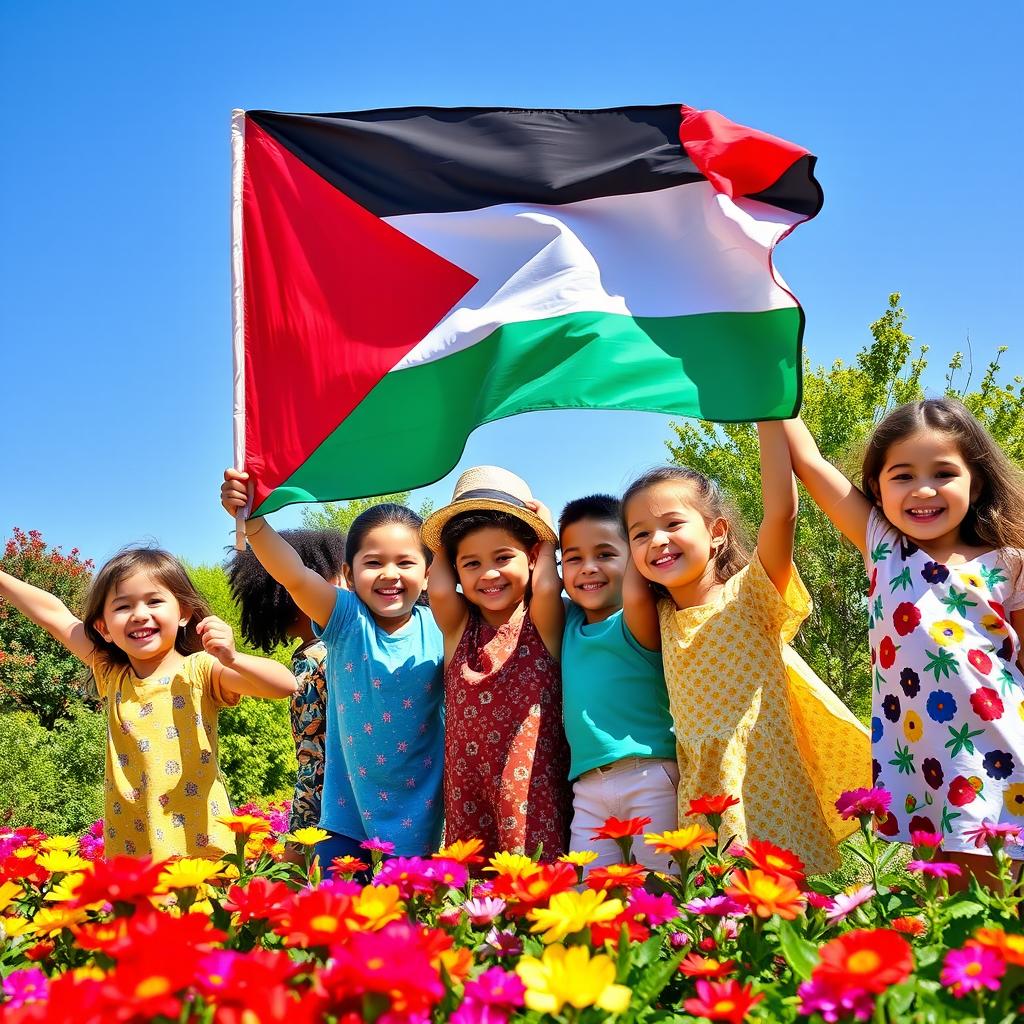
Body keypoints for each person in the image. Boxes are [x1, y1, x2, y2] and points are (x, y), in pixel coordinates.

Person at [783, 399, 1024, 884]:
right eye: (903, 475)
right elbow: (808, 462)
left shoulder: (1009, 560)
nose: (924, 489)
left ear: (974, 482)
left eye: (943, 472)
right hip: (922, 756)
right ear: (875, 487)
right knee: (947, 907)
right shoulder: (884, 547)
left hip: (997, 747)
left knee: (998, 898)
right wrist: (769, 377)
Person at [622, 423, 869, 874]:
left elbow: (781, 514)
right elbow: (631, 586)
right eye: (640, 534)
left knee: (788, 907)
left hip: (765, 777)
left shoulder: (749, 594)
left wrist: (768, 414)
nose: (656, 541)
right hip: (704, 789)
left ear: (717, 533)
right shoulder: (658, 616)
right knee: (722, 921)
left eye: (673, 524)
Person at [0, 548, 297, 859]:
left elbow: (283, 684)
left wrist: (233, 658)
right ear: (104, 628)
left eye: (154, 601)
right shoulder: (112, 674)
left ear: (183, 612)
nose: (139, 614)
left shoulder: (201, 670)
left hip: (201, 848)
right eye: (123, 606)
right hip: (132, 850)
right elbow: (55, 615)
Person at [222, 470, 444, 865]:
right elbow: (293, 574)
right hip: (346, 818)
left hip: (420, 821)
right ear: (349, 573)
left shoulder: (445, 623)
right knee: (337, 923)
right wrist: (254, 521)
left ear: (429, 573)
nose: (390, 573)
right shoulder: (345, 619)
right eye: (373, 562)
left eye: (405, 562)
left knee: (408, 926)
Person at [421, 466, 571, 859]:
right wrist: (443, 542)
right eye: (470, 563)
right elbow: (437, 589)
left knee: (535, 880)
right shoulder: (459, 631)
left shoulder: (541, 623)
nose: (488, 573)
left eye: (503, 557)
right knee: (473, 890)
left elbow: (547, 584)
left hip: (533, 787)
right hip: (468, 790)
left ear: (533, 556)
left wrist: (548, 536)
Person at [558, 494, 677, 872]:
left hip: (651, 777)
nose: (588, 568)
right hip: (588, 789)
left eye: (606, 554)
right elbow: (546, 585)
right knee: (590, 901)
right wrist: (546, 536)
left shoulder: (636, 618)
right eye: (574, 558)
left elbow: (637, 586)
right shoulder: (568, 624)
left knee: (667, 895)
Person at [226, 528, 347, 852]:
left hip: (323, 804)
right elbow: (316, 754)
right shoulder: (324, 656)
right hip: (334, 809)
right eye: (339, 577)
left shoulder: (311, 657)